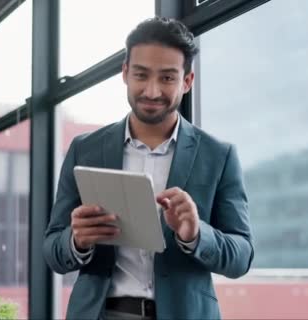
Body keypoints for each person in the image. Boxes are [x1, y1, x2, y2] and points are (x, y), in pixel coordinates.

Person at [44, 17, 254, 319]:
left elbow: (242, 257)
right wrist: (76, 239)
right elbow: (52, 250)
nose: (152, 91)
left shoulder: (218, 156)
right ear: (125, 73)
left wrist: (196, 234)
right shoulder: (84, 150)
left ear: (187, 81)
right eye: (141, 75)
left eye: (167, 78)